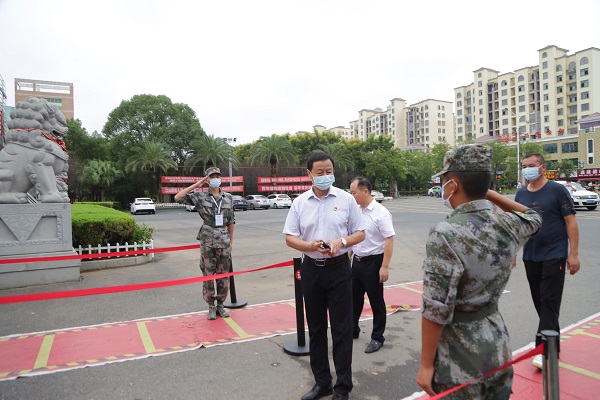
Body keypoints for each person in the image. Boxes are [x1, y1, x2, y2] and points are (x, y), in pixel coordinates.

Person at [416, 144, 542, 399]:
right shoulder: (508, 223)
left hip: (460, 352)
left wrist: (426, 365)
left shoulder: (445, 233)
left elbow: (436, 308)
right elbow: (533, 217)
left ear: (453, 185)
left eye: (443, 181)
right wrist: (489, 195)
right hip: (496, 341)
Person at [283, 152, 365, 400]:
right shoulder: (300, 203)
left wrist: (341, 241)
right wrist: (309, 246)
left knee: (341, 330)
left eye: (329, 170)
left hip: (339, 270)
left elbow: (360, 233)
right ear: (308, 174)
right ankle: (322, 383)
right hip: (311, 270)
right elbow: (289, 237)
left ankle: (342, 388)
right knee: (316, 329)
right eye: (319, 172)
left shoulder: (346, 199)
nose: (325, 176)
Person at [515, 153, 580, 369]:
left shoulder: (557, 190)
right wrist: (512, 253)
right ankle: (554, 346)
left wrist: (574, 254)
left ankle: (544, 352)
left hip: (555, 254)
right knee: (541, 304)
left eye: (531, 166)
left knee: (549, 303)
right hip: (531, 255)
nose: (527, 170)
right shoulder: (521, 193)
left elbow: (570, 222)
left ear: (542, 167)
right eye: (524, 166)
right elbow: (517, 225)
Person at [175, 167, 235, 321]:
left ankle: (221, 305)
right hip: (208, 240)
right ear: (207, 179)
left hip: (224, 240)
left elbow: (231, 221)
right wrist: (197, 184)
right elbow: (178, 197)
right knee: (208, 274)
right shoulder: (200, 197)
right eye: (212, 176)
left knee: (224, 275)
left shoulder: (228, 197)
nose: (215, 179)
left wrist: (231, 242)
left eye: (217, 176)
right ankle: (211, 306)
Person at [348, 176, 395, 354]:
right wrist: (349, 254)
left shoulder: (381, 213)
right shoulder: (356, 211)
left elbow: (389, 240)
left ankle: (377, 337)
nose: (352, 196)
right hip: (357, 262)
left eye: (354, 192)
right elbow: (355, 235)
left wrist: (385, 266)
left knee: (376, 301)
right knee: (354, 299)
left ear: (365, 191)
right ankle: (353, 329)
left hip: (374, 263)